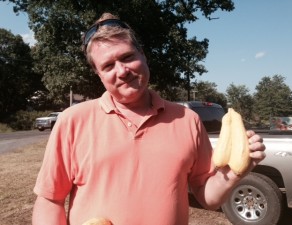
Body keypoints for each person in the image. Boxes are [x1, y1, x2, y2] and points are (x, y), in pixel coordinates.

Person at [32, 12, 266, 225]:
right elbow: (49, 200)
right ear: (99, 74)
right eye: (108, 65)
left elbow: (207, 198)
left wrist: (233, 174)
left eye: (127, 56)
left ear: (143, 55)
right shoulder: (73, 121)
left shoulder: (187, 120)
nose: (122, 70)